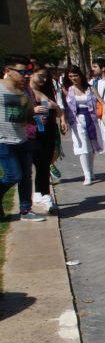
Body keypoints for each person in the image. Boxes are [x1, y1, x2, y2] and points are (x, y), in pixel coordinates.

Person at [0, 56, 45, 221]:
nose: (25, 75)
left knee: (26, 176)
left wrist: (36, 114)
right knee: (13, 175)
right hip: (4, 141)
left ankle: (26, 210)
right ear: (7, 71)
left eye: (27, 72)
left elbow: (26, 116)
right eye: (21, 72)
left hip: (23, 139)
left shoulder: (25, 91)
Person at [26, 66, 66, 213]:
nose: (43, 80)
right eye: (40, 76)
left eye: (45, 77)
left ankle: (40, 194)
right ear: (31, 75)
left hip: (48, 132)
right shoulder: (26, 92)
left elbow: (59, 110)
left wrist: (62, 120)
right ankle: (45, 196)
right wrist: (34, 111)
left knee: (44, 165)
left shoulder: (47, 91)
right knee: (39, 165)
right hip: (32, 134)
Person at [60, 65, 104, 186]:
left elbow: (103, 103)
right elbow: (62, 106)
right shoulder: (66, 89)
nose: (73, 78)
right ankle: (87, 175)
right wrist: (63, 120)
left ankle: (91, 170)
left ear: (80, 75)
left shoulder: (90, 88)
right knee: (82, 146)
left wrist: (104, 117)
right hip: (76, 120)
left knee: (91, 146)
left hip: (91, 119)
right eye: (70, 76)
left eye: (75, 75)